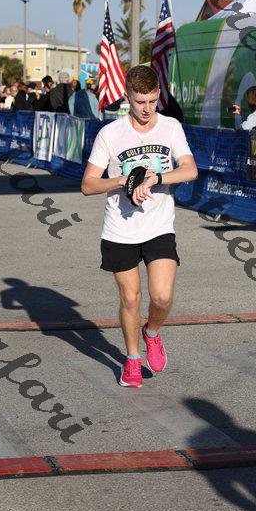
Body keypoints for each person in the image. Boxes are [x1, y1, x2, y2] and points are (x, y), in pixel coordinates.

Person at [81, 65, 198, 388]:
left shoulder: (171, 127)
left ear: (158, 94)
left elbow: (189, 170)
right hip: (120, 229)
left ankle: (152, 332)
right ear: (127, 97)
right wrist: (122, 180)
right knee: (131, 299)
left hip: (159, 226)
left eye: (152, 101)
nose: (146, 109)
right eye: (139, 102)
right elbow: (88, 185)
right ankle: (132, 360)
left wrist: (155, 178)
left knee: (161, 297)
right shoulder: (111, 134)